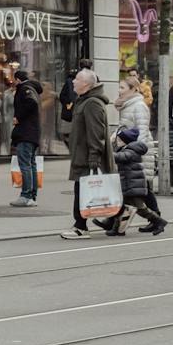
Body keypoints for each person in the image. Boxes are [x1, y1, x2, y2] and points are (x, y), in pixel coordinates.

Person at [63, 68, 117, 240]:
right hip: (82, 155)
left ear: (86, 84)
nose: (73, 82)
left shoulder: (92, 103)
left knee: (83, 191)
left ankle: (80, 227)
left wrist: (94, 156)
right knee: (82, 190)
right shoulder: (84, 101)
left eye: (77, 79)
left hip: (87, 156)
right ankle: (115, 218)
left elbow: (96, 132)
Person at [108, 127, 168, 236]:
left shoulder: (131, 151)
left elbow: (118, 157)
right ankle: (118, 229)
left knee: (140, 208)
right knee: (122, 208)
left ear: (126, 141)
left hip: (133, 186)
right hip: (128, 184)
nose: (117, 141)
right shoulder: (126, 149)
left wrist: (107, 151)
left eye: (120, 140)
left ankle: (159, 221)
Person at [10, 69, 44, 208]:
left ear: (17, 79)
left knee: (25, 164)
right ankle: (32, 195)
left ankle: (26, 195)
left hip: (26, 132)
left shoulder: (24, 89)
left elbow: (31, 104)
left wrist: (19, 117)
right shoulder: (32, 88)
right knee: (31, 164)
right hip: (32, 132)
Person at [116, 74, 152, 146]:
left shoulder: (139, 105)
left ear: (133, 89)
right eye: (119, 87)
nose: (119, 90)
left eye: (122, 88)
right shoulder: (126, 105)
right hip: (129, 148)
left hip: (137, 152)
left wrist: (135, 150)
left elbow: (142, 132)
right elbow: (124, 126)